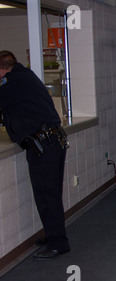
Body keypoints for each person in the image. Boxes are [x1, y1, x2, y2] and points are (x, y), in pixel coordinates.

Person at [0, 51, 70, 260]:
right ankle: (52, 236)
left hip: (44, 145)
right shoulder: (26, 76)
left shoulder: (10, 82)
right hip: (52, 141)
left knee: (46, 194)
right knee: (50, 193)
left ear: (2, 69)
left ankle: (58, 243)